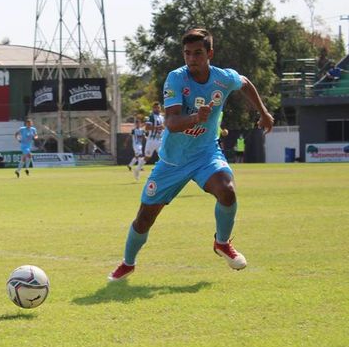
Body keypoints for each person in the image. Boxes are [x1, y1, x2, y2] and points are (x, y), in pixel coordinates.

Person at [108, 28, 274, 281]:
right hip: (172, 161)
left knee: (226, 190)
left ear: (209, 53)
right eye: (187, 53)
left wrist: (263, 112)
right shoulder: (176, 79)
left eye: (197, 53)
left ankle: (222, 243)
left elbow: (245, 83)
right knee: (144, 219)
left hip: (206, 154)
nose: (191, 58)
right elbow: (172, 123)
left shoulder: (223, 78)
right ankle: (128, 263)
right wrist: (196, 117)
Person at [136, 102, 164, 178]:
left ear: (160, 108)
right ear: (153, 108)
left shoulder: (162, 117)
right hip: (151, 140)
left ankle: (157, 172)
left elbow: (164, 127)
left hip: (160, 140)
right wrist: (157, 127)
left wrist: (163, 127)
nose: (157, 109)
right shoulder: (151, 117)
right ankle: (138, 168)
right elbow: (147, 128)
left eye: (158, 107)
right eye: (155, 108)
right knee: (147, 157)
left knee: (163, 156)